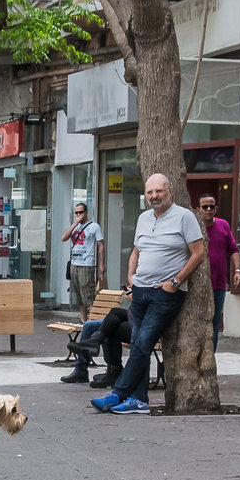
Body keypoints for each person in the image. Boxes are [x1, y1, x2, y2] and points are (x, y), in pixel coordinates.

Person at [91, 173, 204, 415]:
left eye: (159, 191)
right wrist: (131, 279)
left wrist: (176, 281)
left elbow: (198, 254)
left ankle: (117, 394)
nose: (154, 196)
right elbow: (136, 251)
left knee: (143, 342)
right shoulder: (143, 218)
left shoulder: (185, 217)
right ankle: (139, 400)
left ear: (170, 191)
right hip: (139, 292)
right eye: (150, 192)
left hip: (165, 294)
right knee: (136, 344)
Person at [197, 193, 240, 350]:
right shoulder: (194, 227)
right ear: (198, 209)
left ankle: (210, 359)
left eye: (212, 206)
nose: (208, 209)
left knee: (214, 324)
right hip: (197, 285)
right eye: (205, 206)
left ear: (216, 208)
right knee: (196, 323)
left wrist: (237, 270)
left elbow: (234, 249)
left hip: (218, 285)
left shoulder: (223, 225)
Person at [61, 304, 132, 387]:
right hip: (131, 316)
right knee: (89, 325)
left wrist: (134, 294)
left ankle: (113, 370)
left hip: (137, 319)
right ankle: (81, 370)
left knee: (111, 324)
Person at [61, 202, 104, 322]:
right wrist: (75, 224)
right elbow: (63, 238)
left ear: (86, 213)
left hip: (87, 263)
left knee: (88, 293)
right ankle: (83, 318)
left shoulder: (94, 226)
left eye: (81, 212)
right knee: (78, 293)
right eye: (76, 213)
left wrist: (102, 264)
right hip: (74, 263)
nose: (78, 215)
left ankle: (93, 319)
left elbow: (101, 245)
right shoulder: (74, 227)